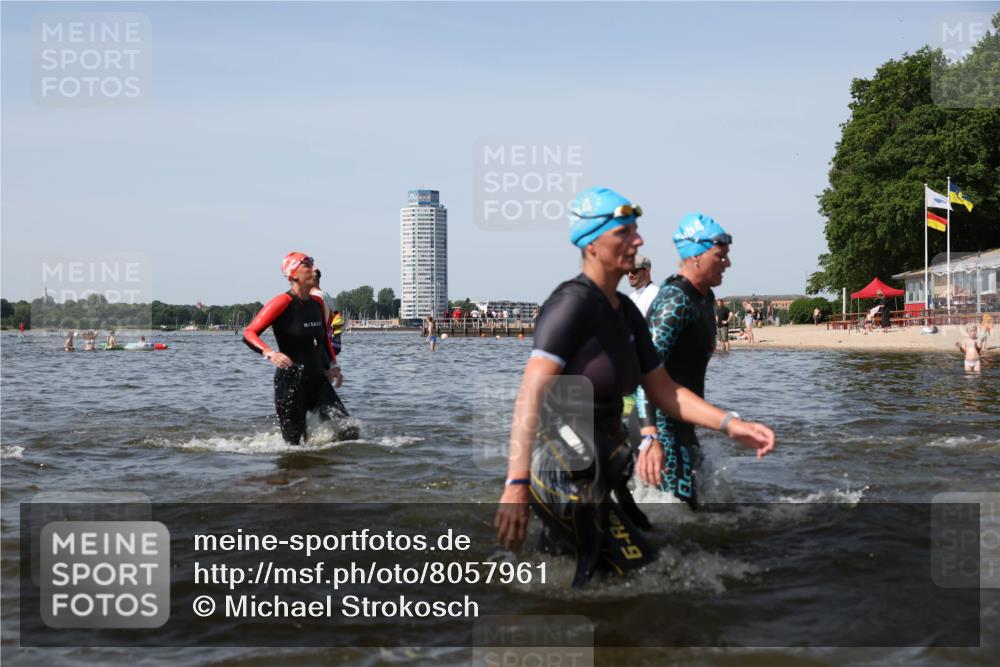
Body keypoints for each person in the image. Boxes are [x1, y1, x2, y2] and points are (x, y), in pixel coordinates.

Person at [493, 187, 775, 586]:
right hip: (561, 472)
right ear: (591, 243)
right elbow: (530, 397)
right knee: (639, 573)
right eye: (624, 233)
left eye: (636, 231)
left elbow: (665, 390)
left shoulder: (625, 312)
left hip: (599, 472)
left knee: (608, 569)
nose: (637, 240)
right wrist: (516, 485)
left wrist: (731, 424)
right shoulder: (571, 305)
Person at [635, 213, 747, 506]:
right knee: (682, 516)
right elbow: (643, 369)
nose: (728, 263)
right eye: (720, 256)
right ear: (696, 257)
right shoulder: (675, 302)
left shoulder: (704, 298)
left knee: (701, 510)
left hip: (684, 422)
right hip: (661, 427)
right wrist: (650, 437)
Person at [243, 252, 350, 445]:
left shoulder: (317, 303)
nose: (314, 269)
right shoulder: (282, 302)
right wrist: (270, 353)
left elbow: (324, 340)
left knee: (348, 429)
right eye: (307, 265)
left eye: (312, 264)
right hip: (290, 382)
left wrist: (334, 366)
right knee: (295, 444)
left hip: (318, 380)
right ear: (294, 275)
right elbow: (249, 333)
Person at [311, 269, 342, 355]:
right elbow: (336, 315)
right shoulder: (326, 295)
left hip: (320, 344)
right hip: (331, 344)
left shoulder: (314, 296)